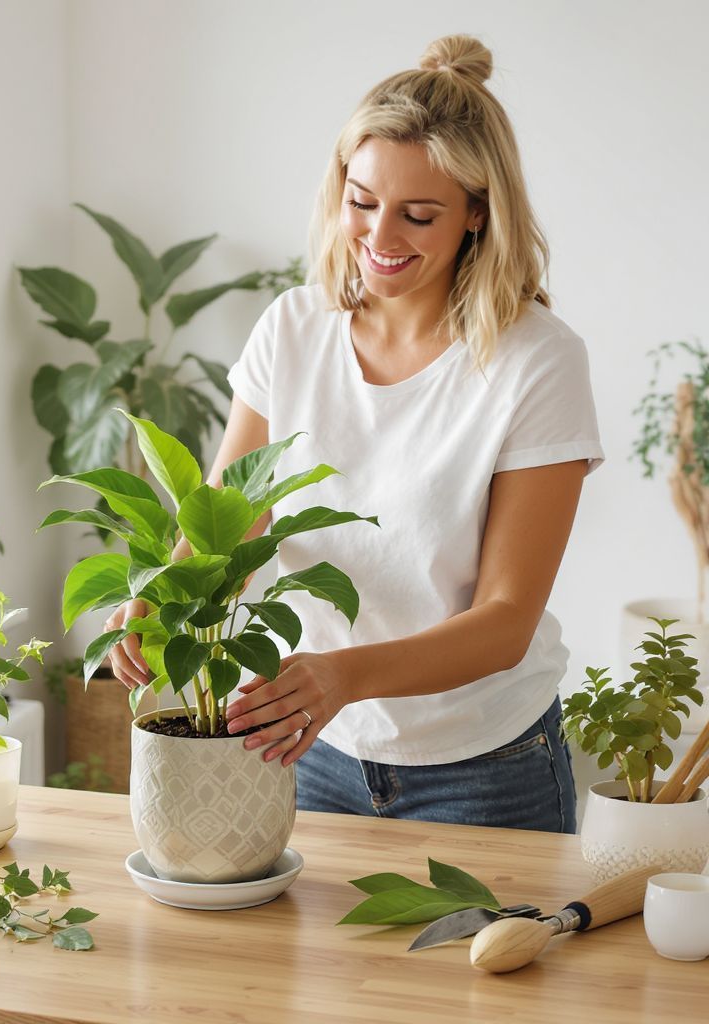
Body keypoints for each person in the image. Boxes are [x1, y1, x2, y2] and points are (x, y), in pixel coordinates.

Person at [103, 33, 603, 834]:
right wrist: (159, 599)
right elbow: (230, 522)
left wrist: (341, 676)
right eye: (361, 200)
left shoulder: (537, 361)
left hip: (485, 766)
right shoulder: (294, 329)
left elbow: (508, 619)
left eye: (419, 214)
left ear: (478, 213)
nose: (379, 237)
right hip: (315, 750)